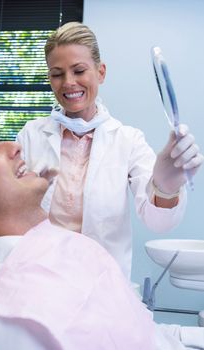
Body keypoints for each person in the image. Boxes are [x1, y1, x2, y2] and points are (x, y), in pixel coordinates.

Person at [0, 130, 203, 350]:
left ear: (101, 83)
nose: (15, 147)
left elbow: (129, 329)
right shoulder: (13, 319)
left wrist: (165, 189)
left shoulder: (66, 246)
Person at [17, 21, 204, 280]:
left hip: (101, 285)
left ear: (101, 72)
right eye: (57, 74)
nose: (68, 83)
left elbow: (158, 223)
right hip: (39, 278)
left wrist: (166, 186)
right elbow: (10, 210)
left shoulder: (128, 140)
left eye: (79, 70)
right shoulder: (30, 135)